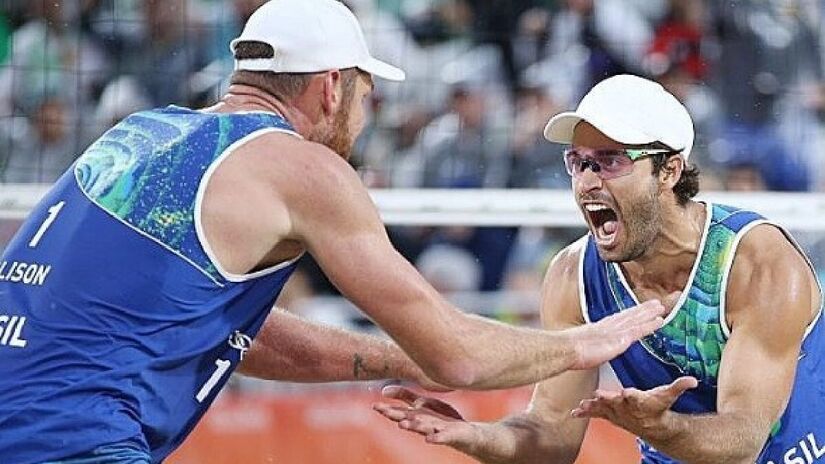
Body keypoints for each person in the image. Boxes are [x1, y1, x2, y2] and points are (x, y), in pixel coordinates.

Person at [0, 3, 668, 463]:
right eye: (365, 91)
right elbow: (457, 360)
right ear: (329, 87)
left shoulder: (140, 132)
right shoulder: (301, 168)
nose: (367, 108)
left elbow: (226, 329)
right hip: (77, 440)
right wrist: (582, 343)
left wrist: (391, 357)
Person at [375, 74, 825, 464]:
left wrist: (660, 428)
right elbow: (551, 435)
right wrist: (477, 435)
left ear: (668, 170)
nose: (587, 181)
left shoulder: (756, 261)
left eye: (610, 161)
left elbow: (744, 441)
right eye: (578, 162)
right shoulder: (573, 277)